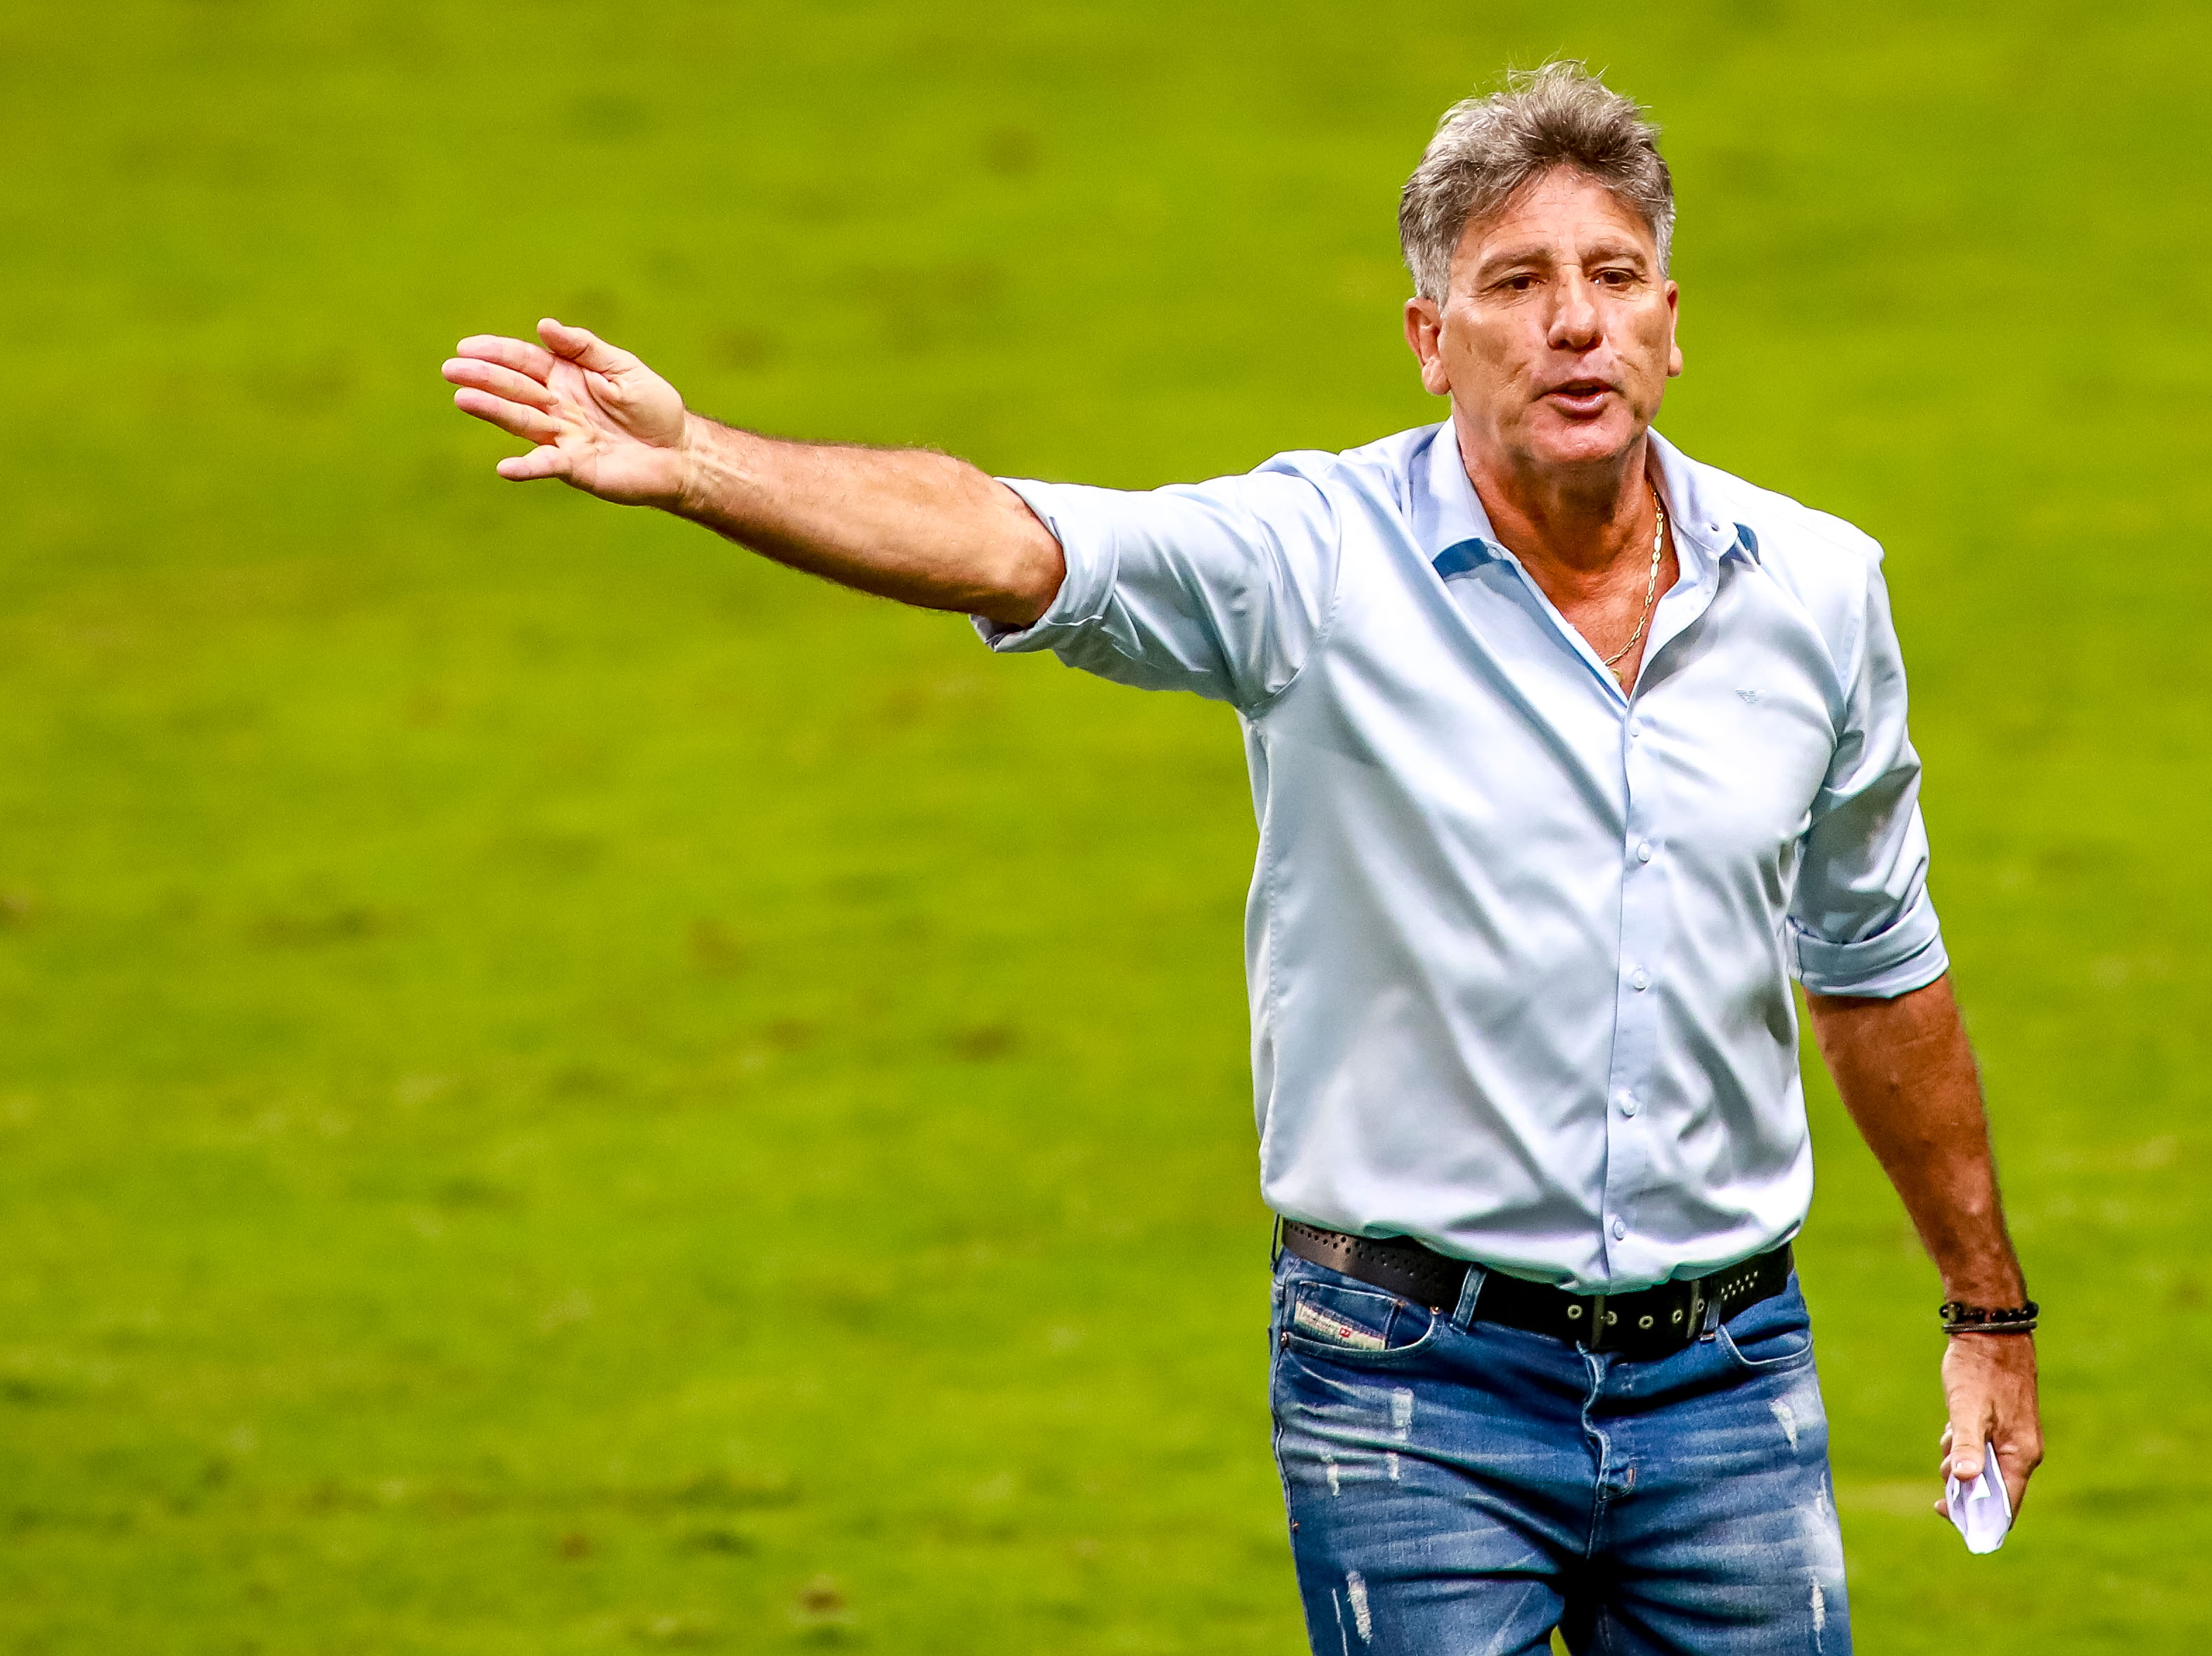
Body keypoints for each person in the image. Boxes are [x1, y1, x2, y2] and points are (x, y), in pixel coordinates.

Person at [440, 60, 2040, 1656]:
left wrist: (1985, 1305)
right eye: (1515, 283)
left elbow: (1873, 956)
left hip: (1726, 1380)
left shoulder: (1815, 595)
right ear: (1428, 340)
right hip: (1415, 1382)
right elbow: (1007, 535)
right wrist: (704, 460)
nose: (1573, 322)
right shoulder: (1312, 563)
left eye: (1612, 277)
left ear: (1670, 322)